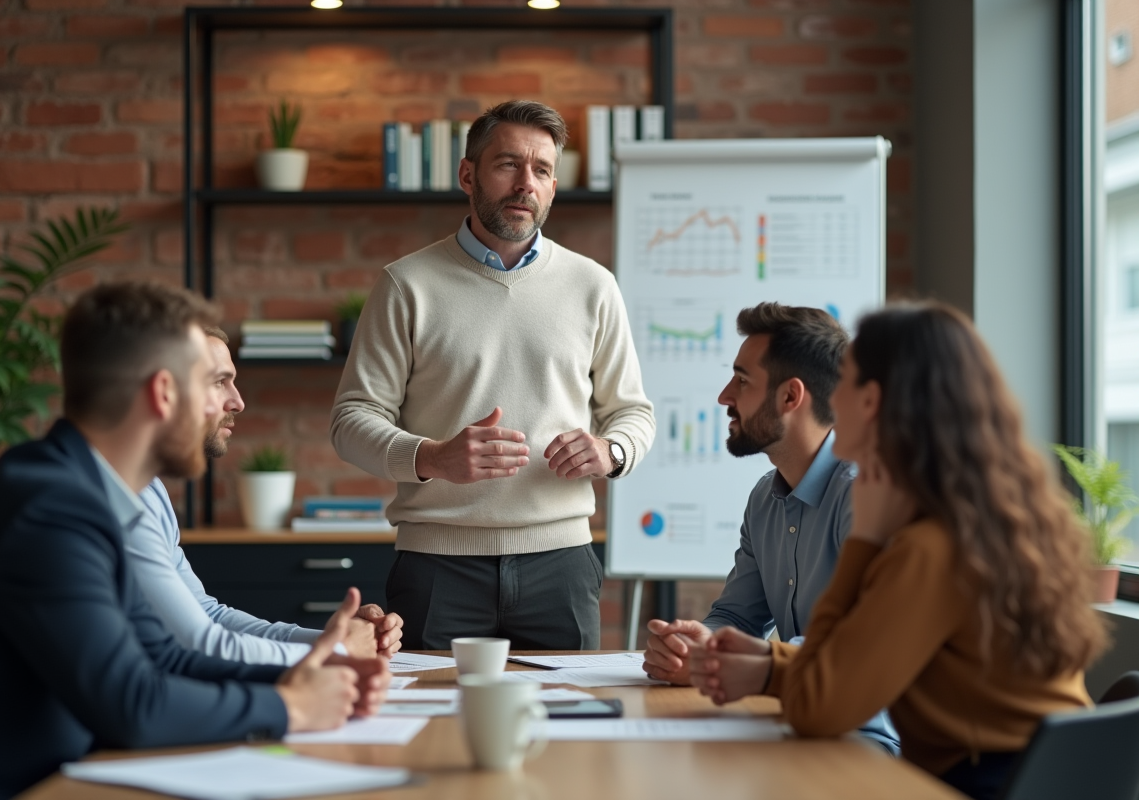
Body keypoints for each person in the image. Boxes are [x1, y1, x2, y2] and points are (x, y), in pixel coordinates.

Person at [0, 282, 383, 800]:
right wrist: (292, 708)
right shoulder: (48, 508)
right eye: (211, 385)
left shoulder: (84, 492)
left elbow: (166, 659)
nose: (230, 404)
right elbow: (133, 705)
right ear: (164, 392)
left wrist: (316, 675)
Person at [687, 302, 1106, 800]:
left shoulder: (928, 545)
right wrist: (772, 667)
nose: (832, 397)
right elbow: (856, 660)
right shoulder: (973, 518)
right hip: (1036, 776)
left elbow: (820, 706)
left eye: (848, 383)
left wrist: (865, 539)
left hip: (984, 784)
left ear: (875, 402)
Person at [331, 100, 655, 650]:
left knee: (567, 730)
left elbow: (632, 411)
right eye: (508, 164)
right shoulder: (406, 286)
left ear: (553, 186)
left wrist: (613, 451)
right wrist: (431, 457)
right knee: (431, 731)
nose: (526, 183)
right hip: (436, 567)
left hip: (562, 565)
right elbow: (351, 419)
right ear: (468, 174)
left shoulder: (594, 286)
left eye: (542, 170)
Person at [639, 303, 897, 754]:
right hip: (793, 722)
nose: (724, 396)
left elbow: (857, 644)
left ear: (790, 397)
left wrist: (730, 660)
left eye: (742, 380)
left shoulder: (865, 495)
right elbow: (739, 616)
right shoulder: (764, 499)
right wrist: (702, 642)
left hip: (865, 740)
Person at [131, 326, 404, 665]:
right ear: (166, 390)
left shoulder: (149, 490)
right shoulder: (122, 503)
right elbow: (197, 641)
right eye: (219, 382)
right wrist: (335, 651)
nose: (238, 401)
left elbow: (207, 615)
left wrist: (331, 639)